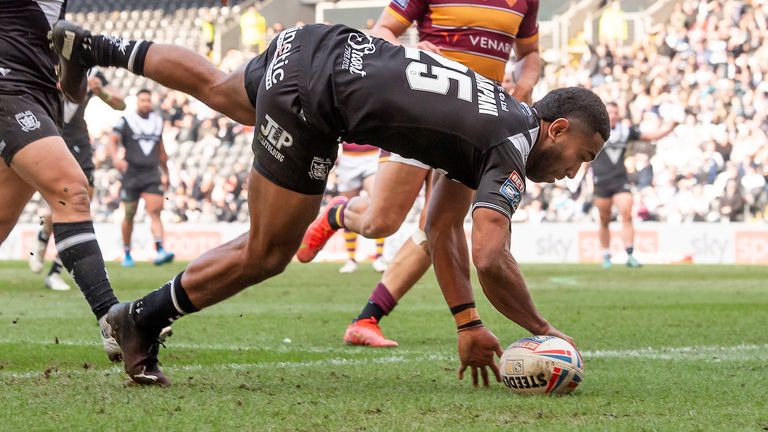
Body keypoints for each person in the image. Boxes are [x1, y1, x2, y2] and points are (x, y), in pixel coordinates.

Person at [53, 21, 608, 386]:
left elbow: (442, 229)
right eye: (581, 156)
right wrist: (545, 329)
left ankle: (95, 47)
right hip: (315, 99)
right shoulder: (511, 149)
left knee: (225, 92)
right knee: (267, 252)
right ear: (556, 129)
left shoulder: (499, 118)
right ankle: (139, 321)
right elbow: (489, 255)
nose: (573, 173)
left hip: (319, 44)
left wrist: (467, 322)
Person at [297, 0, 542, 347]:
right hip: (420, 106)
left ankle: (368, 318)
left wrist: (526, 83)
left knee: (438, 227)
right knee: (381, 222)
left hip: (479, 125)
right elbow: (382, 32)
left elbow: (529, 54)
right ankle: (339, 212)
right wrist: (408, 50)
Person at [0, 1, 122, 361]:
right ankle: (113, 318)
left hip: (40, 95)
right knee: (70, 190)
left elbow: (78, 91)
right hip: (9, 89)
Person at [29, 68, 126, 291]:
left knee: (81, 203)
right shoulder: (44, 59)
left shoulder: (91, 70)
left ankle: (55, 271)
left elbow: (120, 104)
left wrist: (100, 92)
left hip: (78, 138)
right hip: (48, 131)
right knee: (62, 201)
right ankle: (44, 235)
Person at [592, 102, 678, 268]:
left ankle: (630, 254)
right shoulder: (595, 131)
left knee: (627, 214)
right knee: (604, 219)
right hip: (601, 180)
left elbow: (651, 136)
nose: (613, 115)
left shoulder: (625, 131)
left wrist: (670, 127)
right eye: (609, 112)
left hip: (619, 179)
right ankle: (606, 255)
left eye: (615, 112)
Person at [109, 89, 175, 267]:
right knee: (129, 214)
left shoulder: (157, 121)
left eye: (148, 100)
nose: (146, 103)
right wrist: (115, 158)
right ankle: (127, 253)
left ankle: (160, 249)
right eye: (142, 100)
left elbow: (161, 150)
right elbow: (112, 139)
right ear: (137, 102)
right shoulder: (126, 120)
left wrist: (166, 172)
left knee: (155, 211)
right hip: (132, 174)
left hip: (152, 173)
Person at [334, 142, 387, 274]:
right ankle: (351, 259)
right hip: (348, 157)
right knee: (348, 208)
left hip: (373, 154)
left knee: (378, 204)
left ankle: (379, 257)